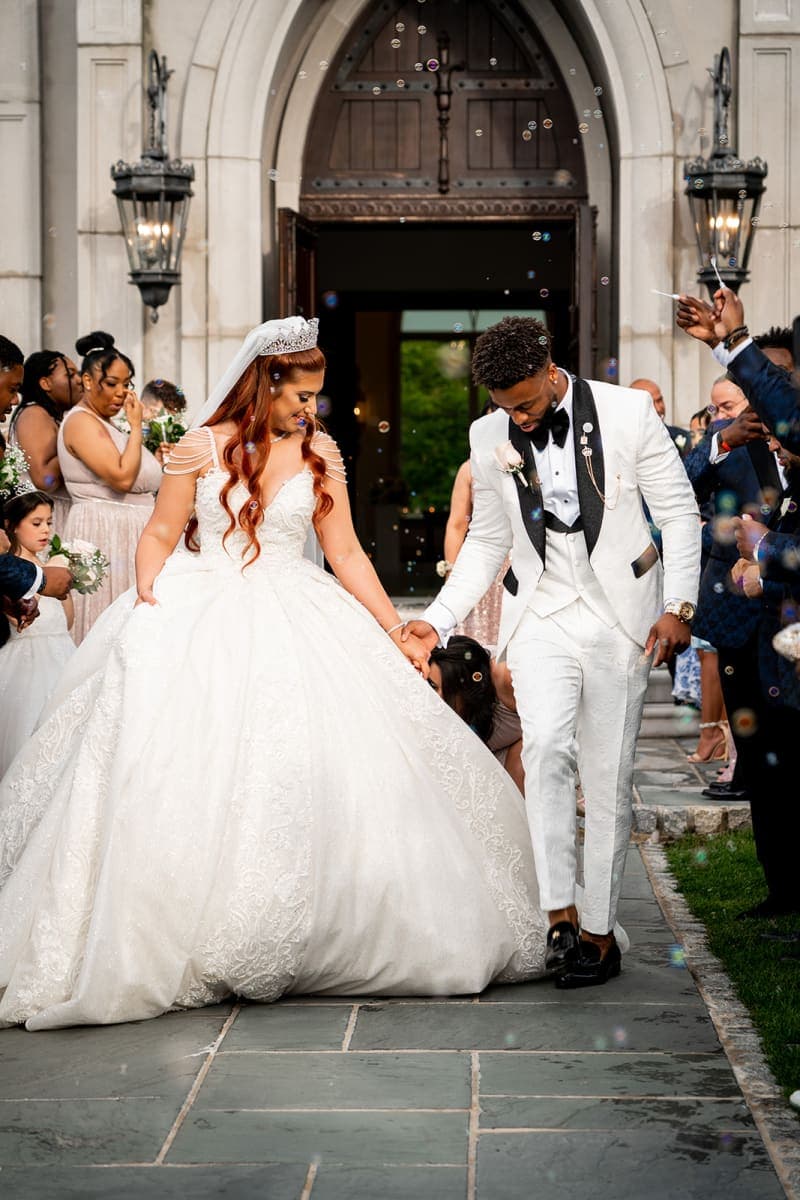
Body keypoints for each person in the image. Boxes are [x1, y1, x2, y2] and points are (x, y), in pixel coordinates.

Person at [0, 316, 551, 1031]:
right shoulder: (199, 447)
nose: (309, 409)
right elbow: (162, 533)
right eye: (300, 394)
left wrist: (394, 632)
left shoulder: (320, 452)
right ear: (264, 382)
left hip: (300, 610)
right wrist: (148, 601)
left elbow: (347, 552)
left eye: (316, 396)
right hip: (200, 610)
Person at [405, 316, 700, 988]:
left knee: (605, 773)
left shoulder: (628, 413)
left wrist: (679, 607)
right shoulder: (489, 435)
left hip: (619, 615)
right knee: (542, 752)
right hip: (538, 612)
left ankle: (600, 932)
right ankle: (559, 919)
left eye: (528, 404)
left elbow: (680, 513)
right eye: (505, 408)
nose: (520, 419)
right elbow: (485, 541)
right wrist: (439, 619)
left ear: (549, 368)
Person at [57, 331, 162, 642]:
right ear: (88, 381)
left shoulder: (105, 423)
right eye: (112, 383)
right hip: (105, 532)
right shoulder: (80, 422)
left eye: (127, 383)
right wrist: (136, 427)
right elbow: (122, 477)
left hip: (130, 531)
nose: (122, 392)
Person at [0, 491, 74, 775]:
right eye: (36, 523)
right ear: (12, 526)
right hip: (26, 662)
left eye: (49, 523)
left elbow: (67, 623)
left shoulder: (52, 568)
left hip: (62, 655)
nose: (45, 530)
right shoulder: (12, 574)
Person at [429, 635, 524, 793]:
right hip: (480, 760)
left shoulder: (506, 679)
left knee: (524, 759)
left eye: (435, 687)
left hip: (522, 751)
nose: (429, 695)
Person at [8, 350, 81, 533]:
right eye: (70, 375)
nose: (79, 380)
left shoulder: (54, 416)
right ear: (45, 383)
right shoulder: (35, 414)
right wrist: (75, 440)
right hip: (41, 518)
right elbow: (45, 480)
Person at [630, 377, 691, 458]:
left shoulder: (684, 438)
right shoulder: (625, 443)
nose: (658, 408)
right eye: (650, 403)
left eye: (659, 400)